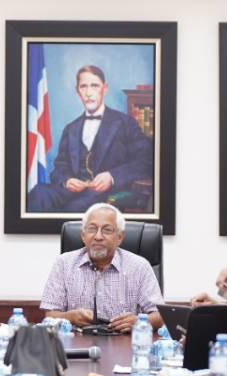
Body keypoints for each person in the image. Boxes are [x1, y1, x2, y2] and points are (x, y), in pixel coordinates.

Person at [26, 65, 153, 212]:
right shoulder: (71, 128)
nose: (88, 93)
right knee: (38, 193)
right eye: (83, 87)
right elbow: (60, 167)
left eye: (94, 86)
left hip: (107, 194)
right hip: (73, 192)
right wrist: (67, 180)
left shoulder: (125, 123)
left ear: (105, 88)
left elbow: (146, 162)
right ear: (77, 91)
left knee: (74, 209)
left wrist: (112, 177)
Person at [40, 203, 163, 331]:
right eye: (92, 229)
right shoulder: (64, 263)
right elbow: (50, 315)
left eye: (107, 230)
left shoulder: (138, 266)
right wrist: (70, 317)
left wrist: (136, 322)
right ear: (83, 234)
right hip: (77, 344)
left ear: (120, 237)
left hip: (123, 346)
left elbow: (160, 316)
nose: (98, 236)